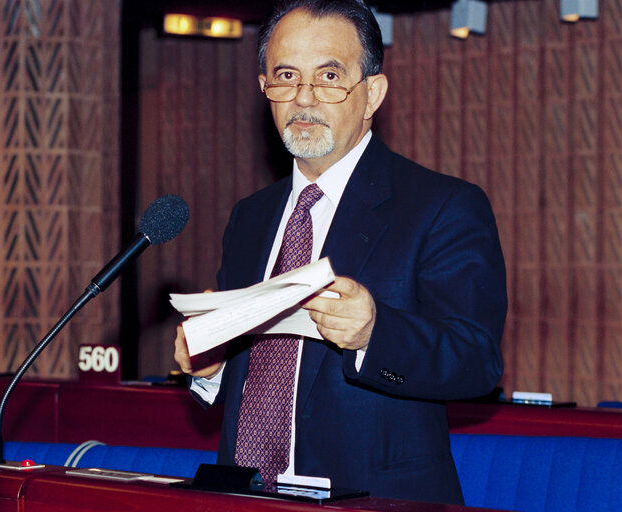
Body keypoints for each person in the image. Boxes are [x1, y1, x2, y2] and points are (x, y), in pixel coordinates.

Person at [173, 0, 506, 504]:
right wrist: (211, 367)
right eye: (286, 75)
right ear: (265, 88)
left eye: (329, 76)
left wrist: (377, 334)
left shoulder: (442, 206)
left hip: (378, 498)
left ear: (372, 92)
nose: (304, 98)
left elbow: (477, 362)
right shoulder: (250, 217)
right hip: (245, 495)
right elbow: (257, 368)